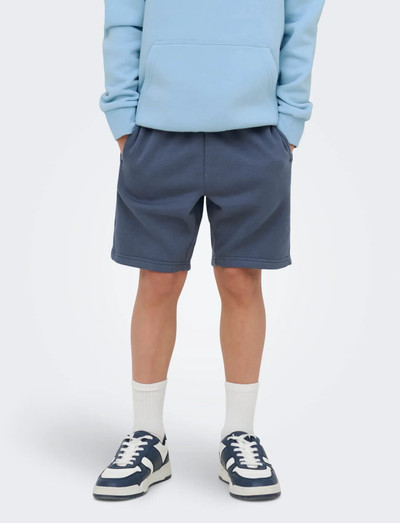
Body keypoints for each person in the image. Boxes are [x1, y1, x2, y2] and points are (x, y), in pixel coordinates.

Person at [93, 0, 325, 502]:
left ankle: (239, 433)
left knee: (241, 279)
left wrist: (289, 122)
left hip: (255, 134)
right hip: (156, 132)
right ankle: (148, 436)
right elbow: (123, 18)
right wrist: (123, 118)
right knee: (157, 279)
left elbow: (301, 20)